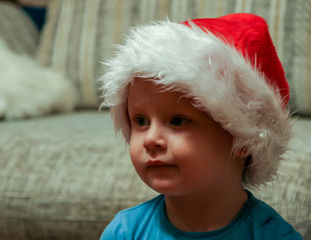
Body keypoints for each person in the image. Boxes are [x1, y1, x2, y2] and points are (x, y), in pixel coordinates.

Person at [98, 13, 303, 240]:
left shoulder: (273, 236)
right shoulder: (124, 232)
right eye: (140, 121)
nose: (150, 139)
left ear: (244, 137)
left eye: (177, 121)